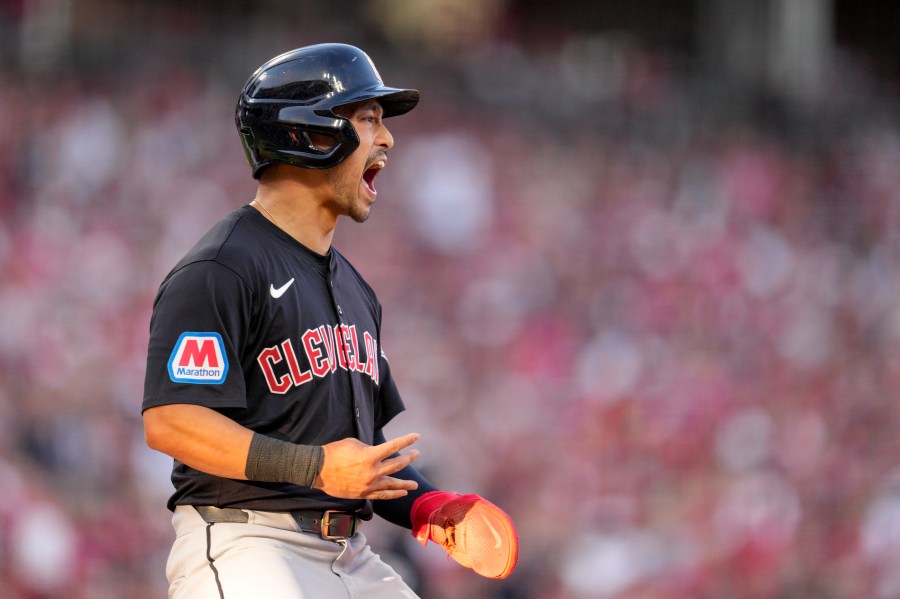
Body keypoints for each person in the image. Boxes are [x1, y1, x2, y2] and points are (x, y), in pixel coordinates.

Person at [141, 43, 518, 599]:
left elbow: (363, 452)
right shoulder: (220, 268)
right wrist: (317, 468)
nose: (386, 139)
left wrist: (428, 507)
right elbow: (172, 421)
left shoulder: (354, 288)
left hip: (349, 552)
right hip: (247, 544)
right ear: (308, 133)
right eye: (367, 118)